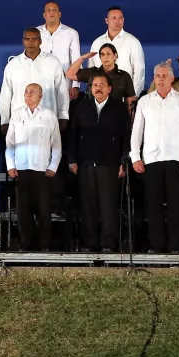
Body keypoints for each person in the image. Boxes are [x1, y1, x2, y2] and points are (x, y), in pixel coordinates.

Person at [130, 62, 179, 253]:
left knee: (176, 205)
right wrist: (135, 156)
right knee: (153, 205)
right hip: (151, 160)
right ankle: (156, 245)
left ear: (171, 79)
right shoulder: (145, 101)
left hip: (177, 159)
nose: (160, 79)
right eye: (157, 76)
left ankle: (175, 244)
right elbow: (137, 132)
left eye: (164, 76)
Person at [67, 71, 129, 252]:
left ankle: (108, 244)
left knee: (109, 206)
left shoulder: (118, 108)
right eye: (95, 85)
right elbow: (73, 135)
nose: (98, 88)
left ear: (109, 88)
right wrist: (72, 159)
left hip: (109, 164)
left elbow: (126, 136)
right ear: (90, 88)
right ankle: (90, 243)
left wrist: (122, 161)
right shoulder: (81, 107)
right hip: (86, 163)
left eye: (102, 85)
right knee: (88, 206)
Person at [5, 83, 61, 251]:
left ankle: (44, 245)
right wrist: (10, 165)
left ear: (40, 95)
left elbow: (56, 143)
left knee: (43, 209)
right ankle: (26, 244)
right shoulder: (17, 115)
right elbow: (10, 142)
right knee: (23, 211)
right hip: (21, 169)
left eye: (32, 92)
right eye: (26, 92)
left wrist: (53, 165)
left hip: (42, 170)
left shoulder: (49, 116)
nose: (28, 95)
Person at [1, 28, 69, 136]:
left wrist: (63, 116)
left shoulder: (53, 63)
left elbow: (62, 91)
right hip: (19, 121)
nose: (31, 42)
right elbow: (6, 94)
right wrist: (4, 120)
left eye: (34, 39)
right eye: (27, 39)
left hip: (47, 119)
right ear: (23, 41)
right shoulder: (13, 65)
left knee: (47, 152)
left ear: (40, 41)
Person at [66, 44, 136, 113]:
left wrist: (131, 120)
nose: (105, 57)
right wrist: (82, 58)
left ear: (115, 56)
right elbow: (70, 74)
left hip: (116, 115)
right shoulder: (92, 72)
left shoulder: (124, 76)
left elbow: (130, 100)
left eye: (108, 54)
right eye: (102, 54)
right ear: (100, 58)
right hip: (93, 115)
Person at [37, 2, 82, 99]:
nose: (51, 12)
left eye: (55, 10)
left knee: (63, 112)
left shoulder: (71, 33)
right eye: (48, 10)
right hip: (40, 81)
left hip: (64, 83)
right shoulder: (36, 33)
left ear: (60, 14)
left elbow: (76, 60)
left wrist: (75, 85)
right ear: (44, 15)